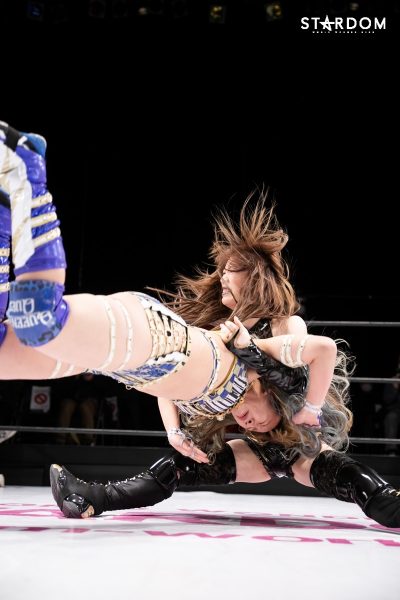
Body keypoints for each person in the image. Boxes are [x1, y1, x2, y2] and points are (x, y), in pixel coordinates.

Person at [1, 122, 399, 528]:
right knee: (43, 324)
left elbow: (296, 380)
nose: (223, 277)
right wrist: (180, 425)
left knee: (359, 483)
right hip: (206, 393)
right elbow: (179, 381)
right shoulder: (223, 336)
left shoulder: (281, 327)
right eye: (222, 270)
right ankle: (94, 499)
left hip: (261, 423)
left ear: (256, 277)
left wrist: (254, 364)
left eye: (233, 270)